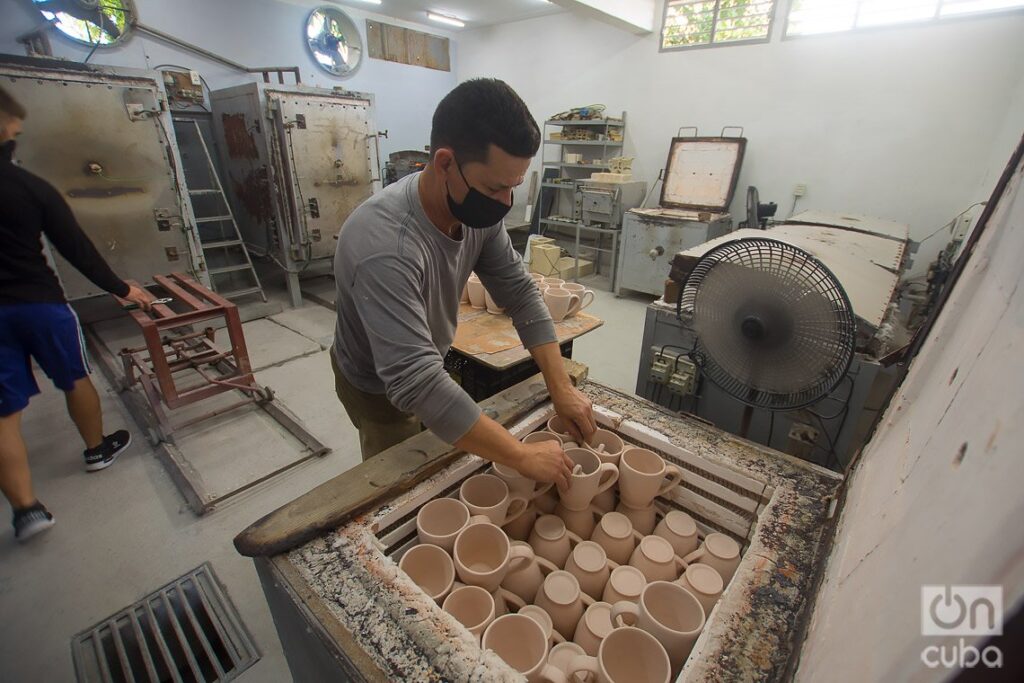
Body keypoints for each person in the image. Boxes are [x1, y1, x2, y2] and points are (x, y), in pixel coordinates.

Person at [332, 78, 596, 490]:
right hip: (378, 383)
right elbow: (413, 380)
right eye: (495, 187)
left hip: (427, 359)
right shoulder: (383, 245)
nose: (505, 202)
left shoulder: (478, 214)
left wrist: (559, 386)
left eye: (514, 186)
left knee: (450, 440)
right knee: (406, 486)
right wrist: (522, 455)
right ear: (444, 163)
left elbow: (521, 294)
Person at [0, 86, 151, 542]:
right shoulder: (29, 187)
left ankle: (26, 509)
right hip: (40, 304)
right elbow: (77, 249)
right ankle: (96, 448)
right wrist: (124, 289)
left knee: (3, 415)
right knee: (74, 377)